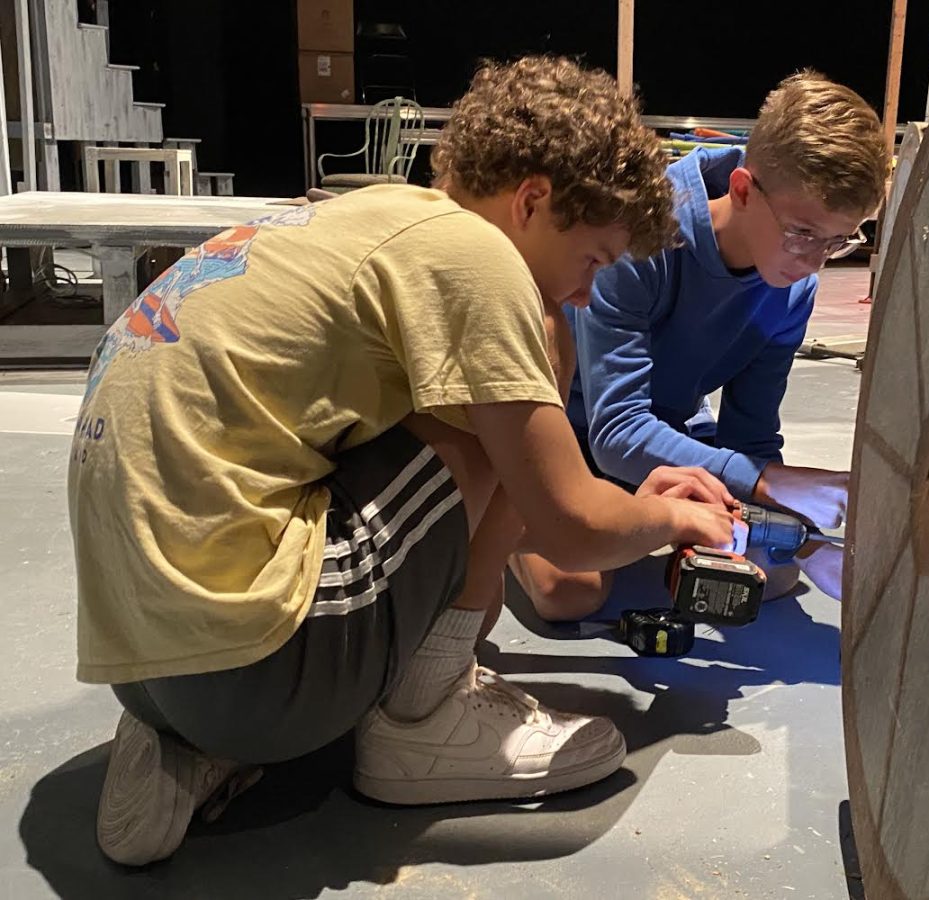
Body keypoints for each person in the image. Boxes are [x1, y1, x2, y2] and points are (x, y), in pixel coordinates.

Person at [69, 56, 744, 867]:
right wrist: (674, 515)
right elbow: (570, 527)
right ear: (532, 201)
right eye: (594, 260)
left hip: (134, 653)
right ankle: (423, 719)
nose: (584, 293)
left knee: (474, 412)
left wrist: (612, 497)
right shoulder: (479, 261)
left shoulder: (361, 217)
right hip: (251, 668)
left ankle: (181, 740)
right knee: (526, 369)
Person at [510, 71, 891, 621]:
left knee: (777, 573)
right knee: (570, 592)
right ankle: (514, 516)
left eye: (840, 240)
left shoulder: (793, 290)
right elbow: (614, 433)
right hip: (573, 432)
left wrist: (797, 534)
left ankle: (655, 523)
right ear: (741, 189)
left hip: (670, 439)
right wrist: (769, 485)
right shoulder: (640, 236)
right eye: (803, 233)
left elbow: (751, 431)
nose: (814, 262)